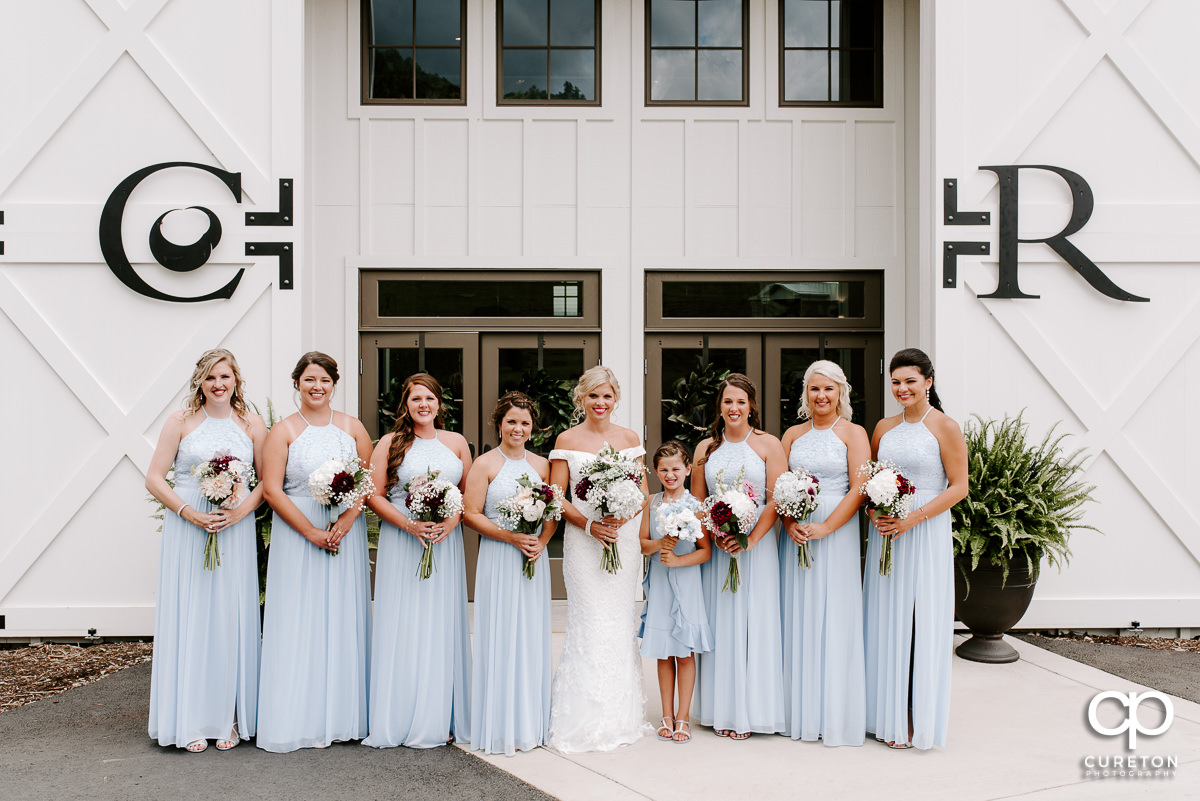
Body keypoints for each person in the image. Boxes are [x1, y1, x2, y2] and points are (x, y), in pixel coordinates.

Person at [146, 348, 267, 752]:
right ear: (200, 381)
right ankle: (190, 717)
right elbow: (154, 478)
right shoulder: (180, 422)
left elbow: (267, 481)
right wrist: (187, 513)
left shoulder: (251, 423)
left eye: (226, 377)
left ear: (236, 381)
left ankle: (228, 717)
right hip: (189, 526)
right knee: (192, 616)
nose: (219, 384)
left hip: (233, 526)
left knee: (227, 617)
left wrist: (239, 513)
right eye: (211, 377)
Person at [257, 352, 374, 752]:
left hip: (345, 532)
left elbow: (366, 483)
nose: (317, 387)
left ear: (333, 384)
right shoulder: (284, 430)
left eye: (324, 380)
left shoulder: (353, 427)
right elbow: (272, 489)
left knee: (342, 616)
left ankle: (343, 715)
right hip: (297, 533)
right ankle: (296, 715)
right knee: (297, 618)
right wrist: (308, 530)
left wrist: (346, 521)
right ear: (297, 384)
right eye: (309, 379)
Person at [863, 348, 968, 750]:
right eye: (896, 382)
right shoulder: (883, 428)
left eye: (910, 380)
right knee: (886, 618)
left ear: (928, 381)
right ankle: (884, 713)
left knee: (917, 622)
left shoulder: (944, 426)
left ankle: (914, 716)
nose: (902, 388)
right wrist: (875, 512)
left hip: (924, 531)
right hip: (887, 533)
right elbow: (871, 480)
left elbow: (959, 487)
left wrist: (913, 518)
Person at [364, 373, 472, 749]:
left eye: (429, 398)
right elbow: (374, 496)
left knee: (440, 624)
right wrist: (409, 525)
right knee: (404, 623)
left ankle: (439, 714)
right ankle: (401, 715)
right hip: (402, 541)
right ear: (405, 405)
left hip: (445, 541)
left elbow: (467, 496)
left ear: (440, 403)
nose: (423, 405)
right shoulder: (390, 444)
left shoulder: (457, 443)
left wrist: (451, 520)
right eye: (415, 399)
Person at [545, 365, 650, 752]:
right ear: (581, 398)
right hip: (583, 542)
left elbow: (641, 490)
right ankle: (580, 716)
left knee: (619, 620)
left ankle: (620, 715)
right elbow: (556, 497)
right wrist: (590, 526)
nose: (600, 403)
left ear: (616, 398)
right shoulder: (567, 439)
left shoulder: (629, 438)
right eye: (593, 396)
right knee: (588, 620)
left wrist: (620, 518)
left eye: (607, 396)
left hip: (621, 542)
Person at [778, 360, 870, 746]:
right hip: (797, 533)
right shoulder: (792, 435)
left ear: (841, 393)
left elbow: (859, 487)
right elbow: (778, 487)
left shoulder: (854, 433)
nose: (821, 396)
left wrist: (828, 526)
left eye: (829, 389)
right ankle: (796, 710)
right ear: (806, 394)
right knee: (798, 613)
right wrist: (789, 523)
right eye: (815, 389)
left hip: (837, 532)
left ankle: (833, 713)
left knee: (834, 613)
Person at [692, 373, 786, 740]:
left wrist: (749, 539)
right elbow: (699, 502)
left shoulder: (768, 444)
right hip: (719, 553)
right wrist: (715, 534)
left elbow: (776, 499)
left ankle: (754, 711)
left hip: (757, 550)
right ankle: (723, 710)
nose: (734, 408)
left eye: (741, 402)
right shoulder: (705, 449)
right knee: (723, 625)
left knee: (755, 624)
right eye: (728, 401)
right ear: (720, 405)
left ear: (752, 407)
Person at [463, 392, 556, 755]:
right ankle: (500, 722)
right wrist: (510, 536)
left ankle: (531, 722)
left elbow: (552, 511)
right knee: (501, 633)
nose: (518, 428)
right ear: (499, 424)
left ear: (533, 428)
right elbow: (471, 514)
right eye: (512, 421)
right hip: (500, 558)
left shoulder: (543, 465)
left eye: (525, 423)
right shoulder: (485, 464)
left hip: (533, 558)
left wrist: (541, 542)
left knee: (530, 635)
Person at [638, 441, 712, 745]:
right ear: (656, 471)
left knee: (684, 651)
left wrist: (679, 558)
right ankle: (665, 715)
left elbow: (705, 552)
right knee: (664, 651)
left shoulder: (696, 505)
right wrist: (661, 544)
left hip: (687, 580)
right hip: (660, 579)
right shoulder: (652, 503)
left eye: (676, 469)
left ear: (687, 470)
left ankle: (683, 716)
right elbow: (642, 543)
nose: (670, 474)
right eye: (664, 469)